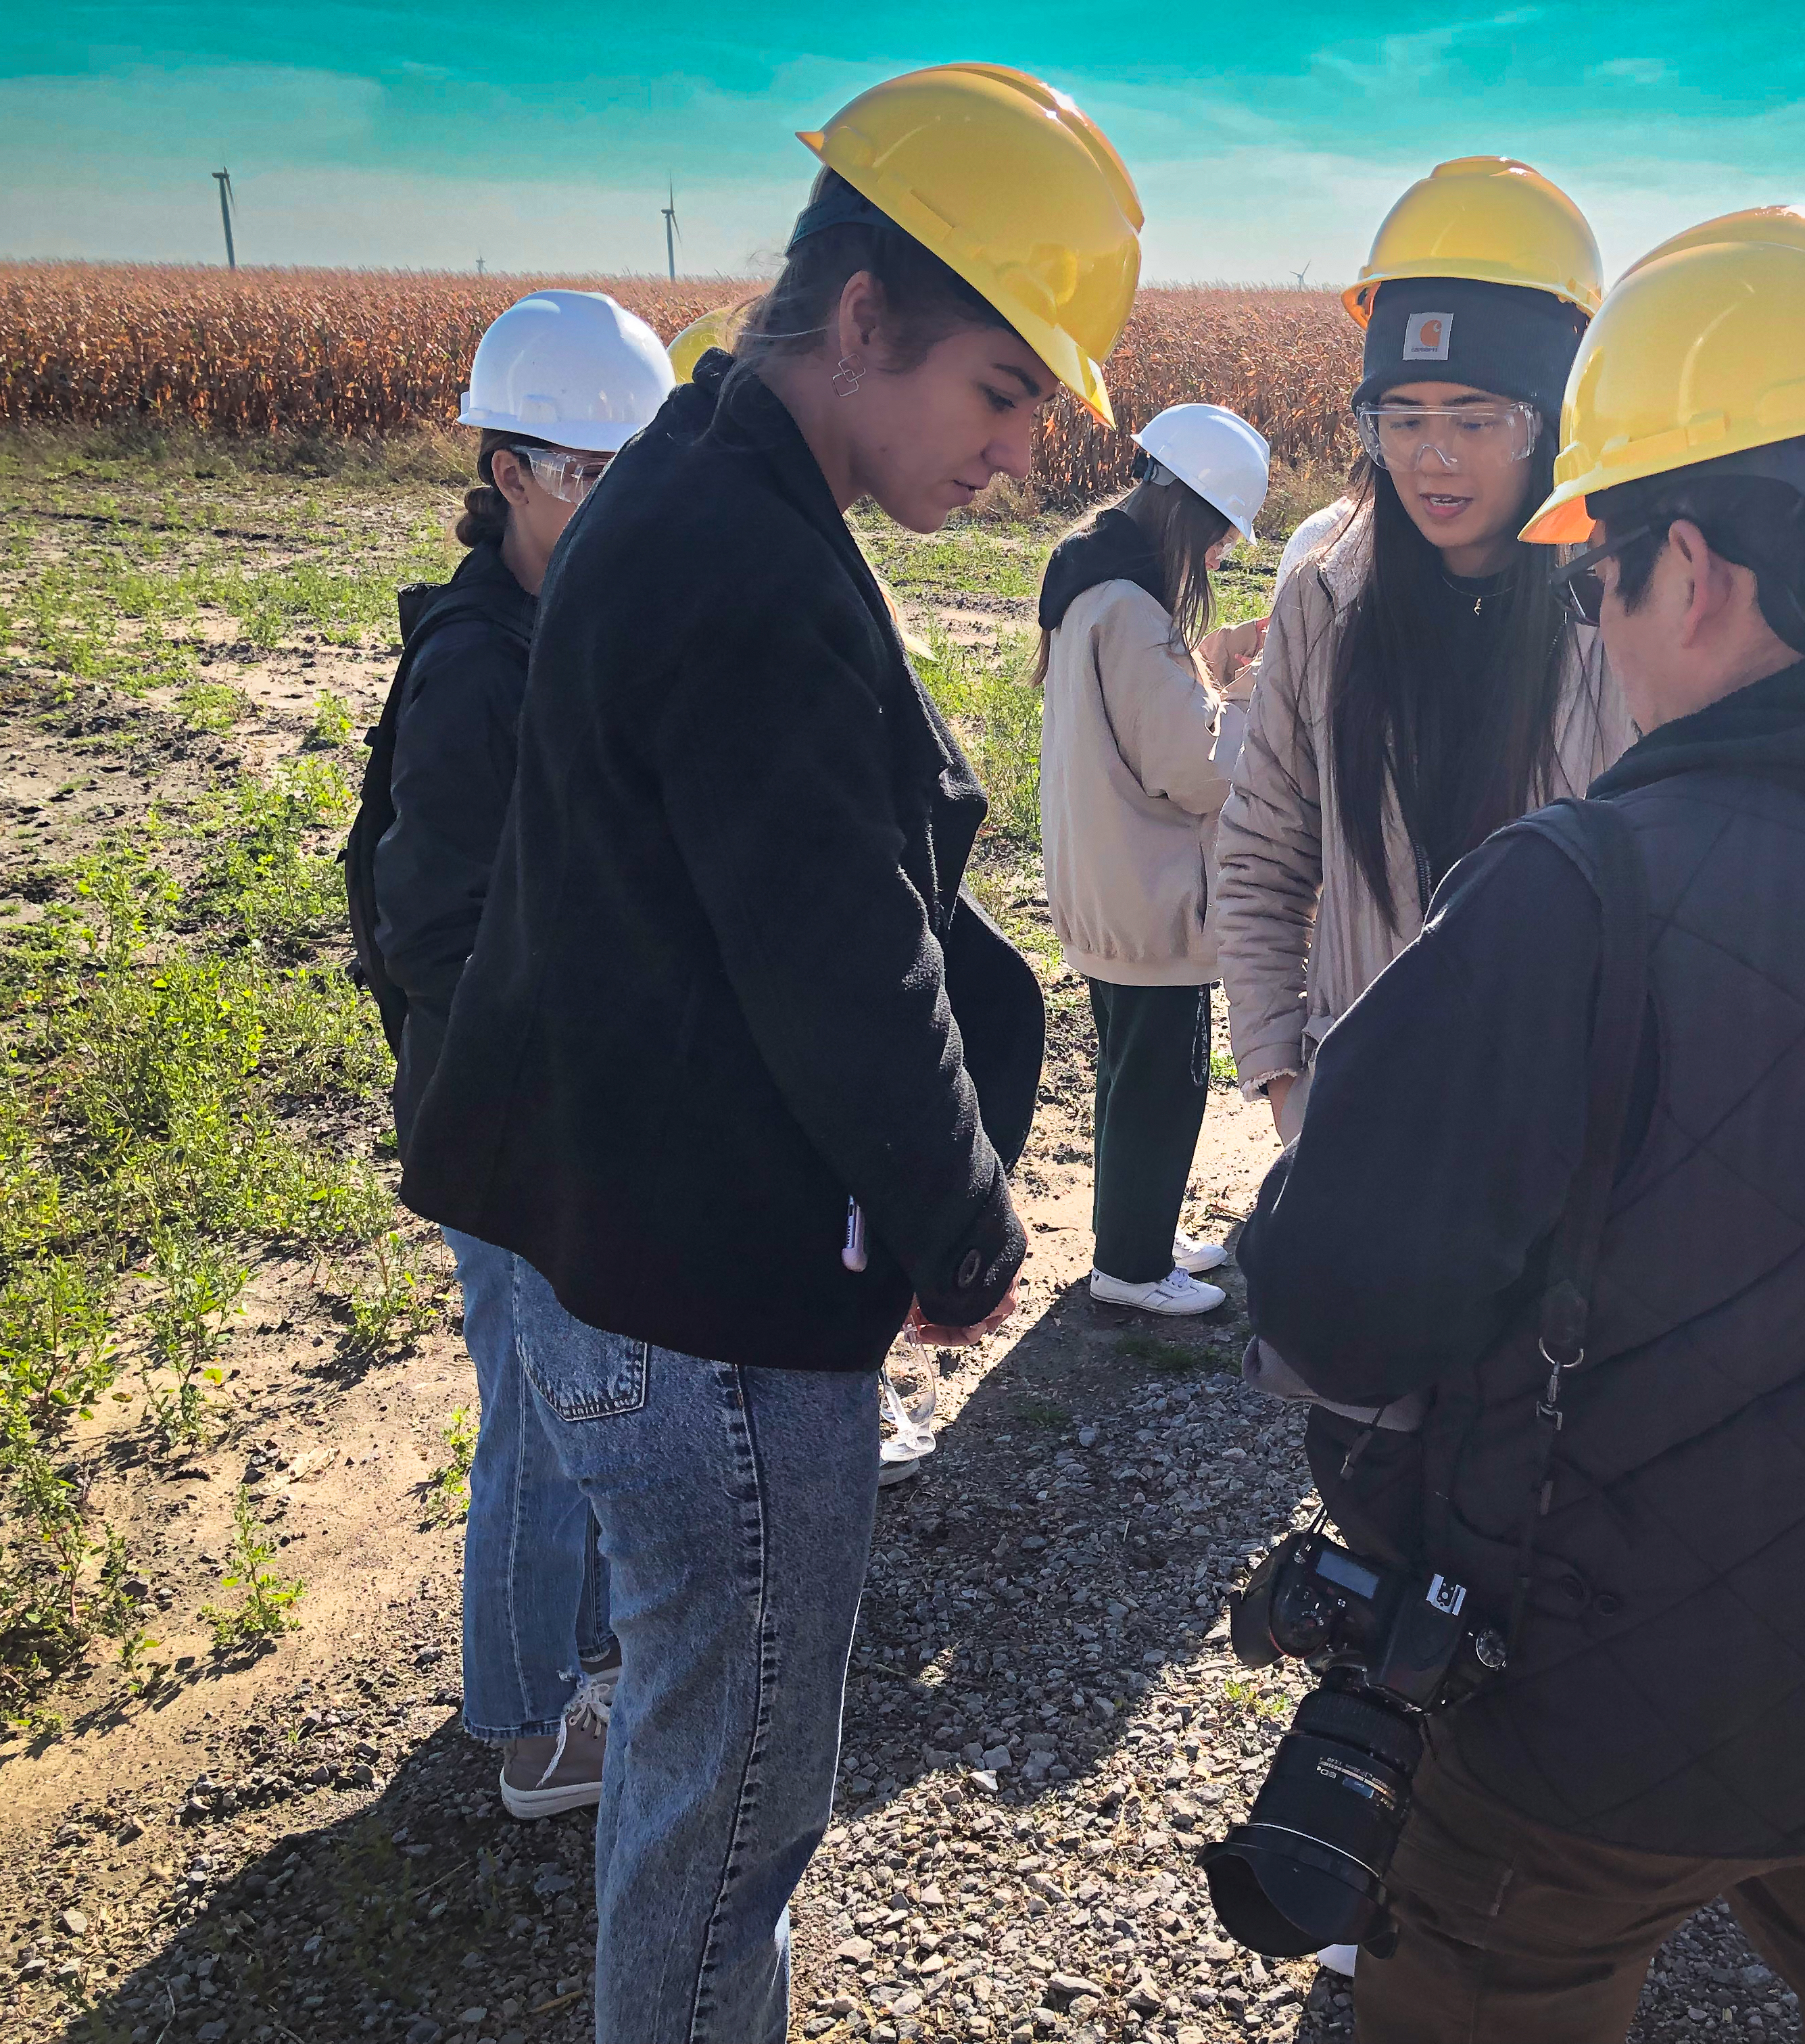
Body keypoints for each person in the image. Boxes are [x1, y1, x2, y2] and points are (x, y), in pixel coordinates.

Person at [1237, 205, 1805, 2044]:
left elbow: (1330, 1307)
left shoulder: (1580, 895)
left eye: (1602, 581)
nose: (1594, 622)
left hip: (1603, 1721)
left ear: (1702, 577)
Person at [399, 63, 1140, 2041]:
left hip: (621, 1249)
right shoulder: (741, 552)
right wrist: (967, 1232)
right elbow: (844, 960)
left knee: (691, 1768)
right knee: (733, 1811)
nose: (1016, 454)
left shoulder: (704, 463)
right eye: (1001, 392)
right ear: (872, 316)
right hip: (702, 1308)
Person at [345, 289, 672, 1818]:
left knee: (590, 1406)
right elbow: (433, 929)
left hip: (582, 1108)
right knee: (541, 1432)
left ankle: (581, 1654)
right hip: (508, 1121)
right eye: (581, 473)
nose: (612, 505)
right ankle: (528, 1727)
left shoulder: (580, 629)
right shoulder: (478, 667)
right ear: (506, 470)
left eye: (633, 472)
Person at [1215, 156, 1632, 1142]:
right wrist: (1286, 1085)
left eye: (1477, 418)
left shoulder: (1622, 610)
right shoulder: (1328, 593)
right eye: (1401, 416)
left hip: (1564, 1136)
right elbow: (1261, 852)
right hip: (1364, 1120)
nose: (1431, 455)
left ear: (1552, 423)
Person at [1034, 402, 1272, 1317]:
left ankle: (1140, 1232)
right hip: (1151, 892)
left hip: (1114, 884)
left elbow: (1149, 712)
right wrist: (1253, 688)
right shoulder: (1130, 610)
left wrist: (1212, 656)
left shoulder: (1099, 589)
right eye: (1220, 539)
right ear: (1193, 515)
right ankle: (1131, 1268)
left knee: (1135, 1078)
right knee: (1161, 1088)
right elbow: (1199, 771)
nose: (1216, 558)